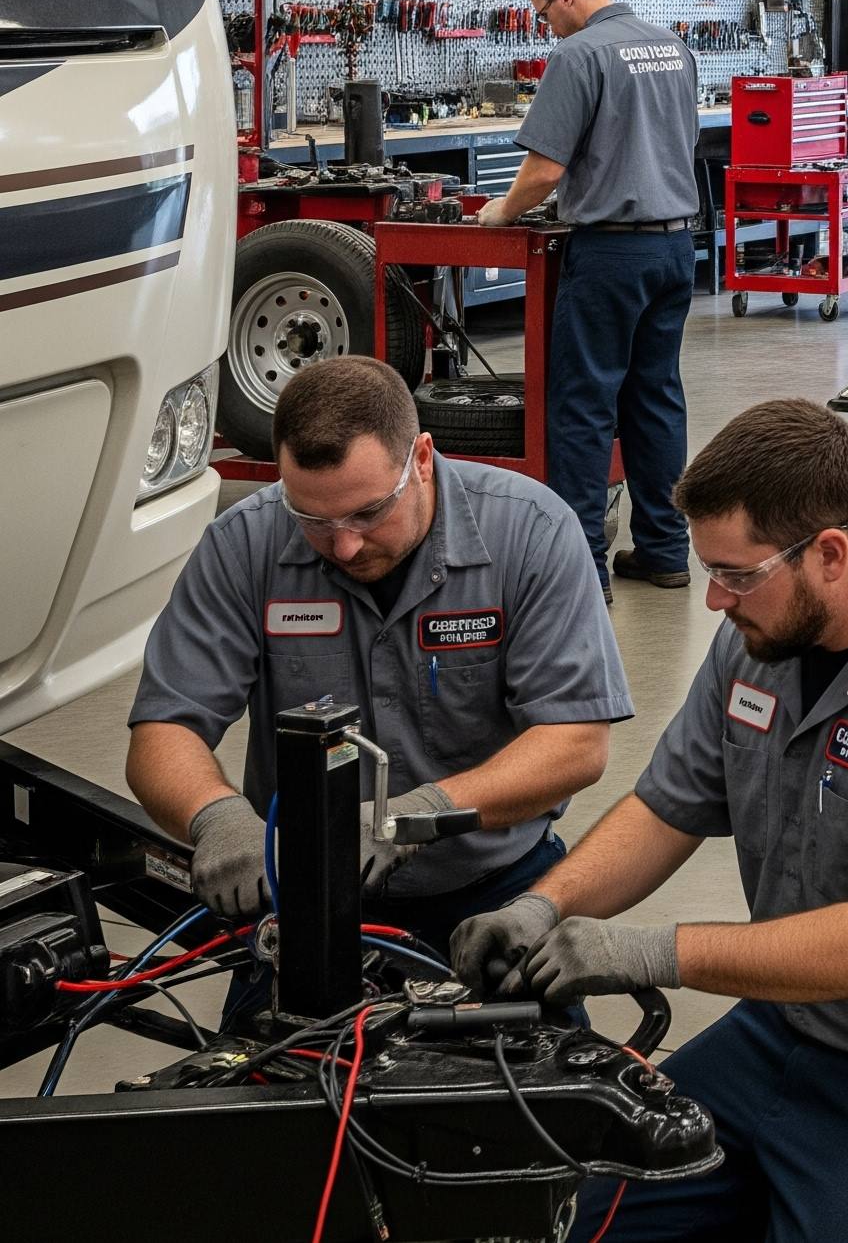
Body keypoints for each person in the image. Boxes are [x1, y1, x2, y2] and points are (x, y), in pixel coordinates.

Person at [452, 397, 848, 1243]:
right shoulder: (762, 639)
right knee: (581, 1219)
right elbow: (668, 807)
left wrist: (647, 951)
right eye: (708, 569)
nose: (715, 599)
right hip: (789, 1025)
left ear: (829, 552)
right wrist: (545, 904)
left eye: (737, 574)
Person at [126, 356, 632, 982]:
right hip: (305, 893)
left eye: (368, 513)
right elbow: (164, 729)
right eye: (313, 520)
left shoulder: (532, 532)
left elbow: (576, 742)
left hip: (494, 892)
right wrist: (216, 816)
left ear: (421, 458)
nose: (344, 545)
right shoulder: (244, 545)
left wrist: (414, 816)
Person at [476, 0, 701, 599]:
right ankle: (664, 551)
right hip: (674, 248)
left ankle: (582, 565)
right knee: (655, 398)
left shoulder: (578, 55)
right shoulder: (672, 48)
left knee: (584, 405)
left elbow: (544, 170)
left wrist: (501, 213)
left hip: (611, 254)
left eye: (544, 14)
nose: (546, 28)